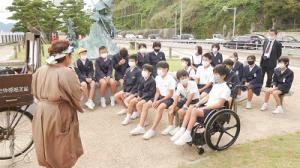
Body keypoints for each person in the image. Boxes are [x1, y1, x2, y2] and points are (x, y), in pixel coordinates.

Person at [32, 40, 84, 168]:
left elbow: (34, 91)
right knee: (62, 146)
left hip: (41, 111)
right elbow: (76, 95)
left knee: (47, 144)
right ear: (66, 57)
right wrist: (81, 89)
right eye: (70, 55)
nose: (71, 58)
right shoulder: (66, 72)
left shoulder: (40, 70)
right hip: (59, 112)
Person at [171, 65, 231, 145]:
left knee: (195, 111)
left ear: (223, 75)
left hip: (214, 110)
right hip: (208, 107)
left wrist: (205, 107)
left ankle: (187, 134)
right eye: (214, 74)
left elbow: (219, 104)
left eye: (217, 74)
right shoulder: (216, 85)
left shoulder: (226, 89)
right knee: (192, 107)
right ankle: (182, 130)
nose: (215, 76)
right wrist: (198, 103)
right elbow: (208, 96)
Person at [130, 61, 176, 140]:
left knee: (160, 107)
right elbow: (157, 91)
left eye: (161, 69)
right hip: (159, 97)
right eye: (158, 69)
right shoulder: (158, 78)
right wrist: (155, 100)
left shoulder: (171, 80)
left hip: (169, 98)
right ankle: (141, 127)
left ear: (166, 69)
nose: (158, 70)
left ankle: (152, 130)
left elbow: (170, 95)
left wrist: (159, 101)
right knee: (145, 105)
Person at [163, 70, 200, 136]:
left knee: (181, 111)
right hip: (185, 100)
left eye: (185, 77)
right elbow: (176, 97)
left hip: (194, 101)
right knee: (170, 108)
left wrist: (185, 106)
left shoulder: (193, 83)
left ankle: (180, 127)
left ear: (188, 77)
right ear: (178, 79)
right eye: (182, 78)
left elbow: (191, 97)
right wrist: (173, 106)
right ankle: (171, 126)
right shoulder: (179, 85)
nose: (184, 79)